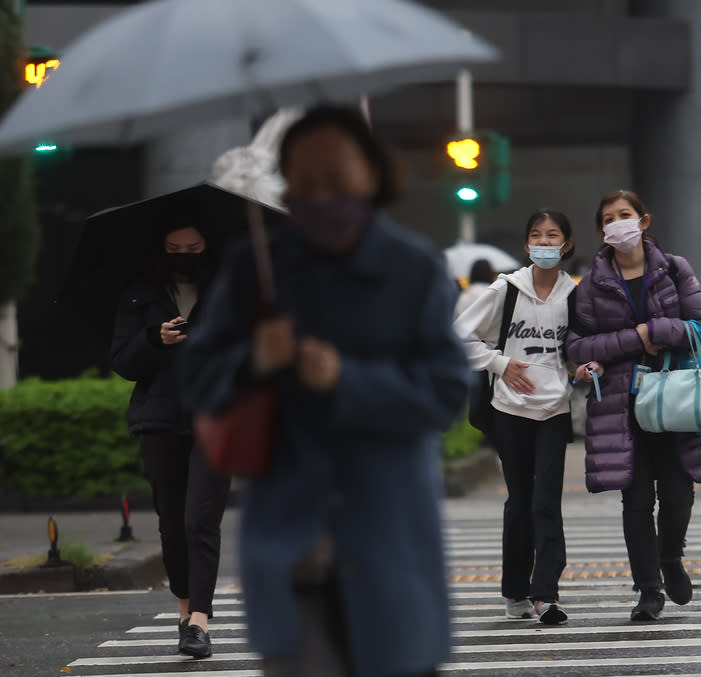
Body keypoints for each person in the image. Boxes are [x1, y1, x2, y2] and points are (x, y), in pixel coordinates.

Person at [180, 105, 470, 677]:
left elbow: (445, 392)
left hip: (388, 539)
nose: (323, 198)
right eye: (305, 184)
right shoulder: (256, 269)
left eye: (337, 180)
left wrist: (347, 379)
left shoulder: (413, 268)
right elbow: (197, 379)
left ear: (373, 174)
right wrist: (254, 359)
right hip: (289, 547)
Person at [567, 189, 701, 621]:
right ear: (601, 230)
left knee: (679, 492)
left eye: (625, 214)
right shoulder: (591, 284)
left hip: (676, 397)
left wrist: (657, 330)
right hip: (623, 406)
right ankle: (648, 588)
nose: (617, 223)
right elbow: (577, 343)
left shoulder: (674, 269)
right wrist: (635, 340)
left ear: (643, 221)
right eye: (608, 218)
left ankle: (670, 558)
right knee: (636, 500)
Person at [111, 223, 229, 658]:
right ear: (161, 249)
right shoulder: (139, 293)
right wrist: (153, 339)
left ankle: (199, 620)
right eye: (175, 248)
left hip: (214, 415)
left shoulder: (228, 288)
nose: (185, 254)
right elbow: (122, 361)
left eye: (194, 247)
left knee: (201, 518)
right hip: (159, 417)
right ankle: (183, 612)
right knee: (172, 521)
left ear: (207, 248)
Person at [454, 209, 577, 625]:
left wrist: (587, 366)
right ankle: (515, 592)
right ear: (527, 246)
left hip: (555, 410)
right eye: (537, 237)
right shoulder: (505, 290)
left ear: (567, 245)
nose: (544, 244)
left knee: (547, 502)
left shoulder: (574, 295)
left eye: (553, 236)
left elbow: (581, 348)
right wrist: (499, 363)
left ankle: (546, 595)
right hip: (509, 410)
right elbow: (457, 337)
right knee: (520, 501)